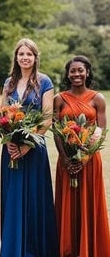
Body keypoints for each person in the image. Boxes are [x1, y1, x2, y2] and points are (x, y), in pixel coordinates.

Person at [0, 38, 59, 256]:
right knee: (13, 196)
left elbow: (46, 119)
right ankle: (14, 246)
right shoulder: (8, 83)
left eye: (29, 54)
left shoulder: (45, 82)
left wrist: (27, 145)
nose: (25, 58)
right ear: (16, 57)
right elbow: (1, 114)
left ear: (35, 58)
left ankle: (35, 247)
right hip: (11, 149)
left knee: (35, 197)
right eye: (21, 54)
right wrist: (10, 141)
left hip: (34, 148)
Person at [54, 55, 110, 257]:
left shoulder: (98, 99)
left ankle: (89, 248)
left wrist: (84, 157)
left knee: (88, 203)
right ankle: (69, 249)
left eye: (80, 70)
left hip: (89, 160)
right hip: (66, 161)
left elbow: (101, 131)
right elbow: (56, 131)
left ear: (87, 72)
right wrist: (67, 159)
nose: (76, 74)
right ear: (68, 74)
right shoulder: (59, 99)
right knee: (67, 205)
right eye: (72, 71)